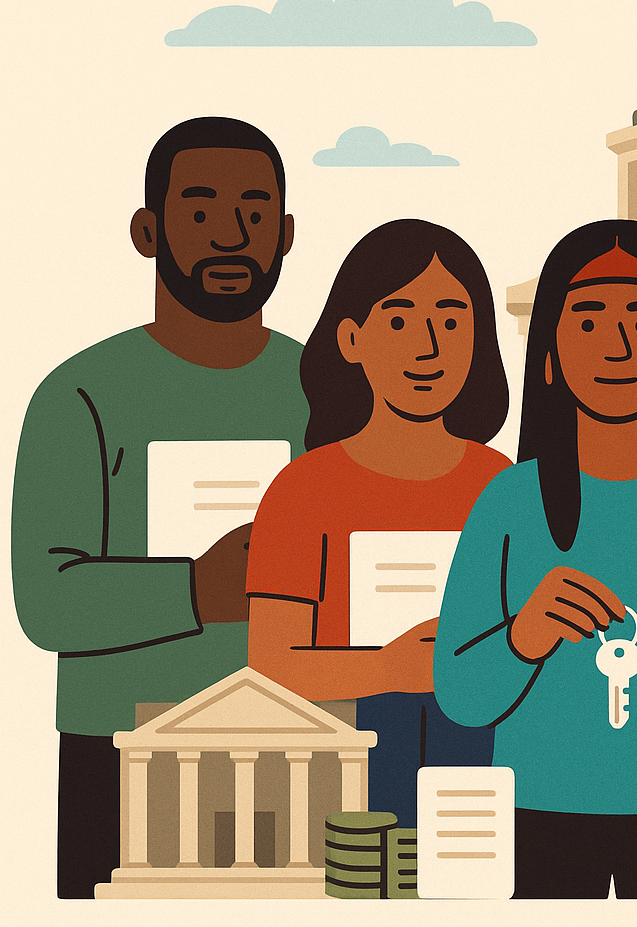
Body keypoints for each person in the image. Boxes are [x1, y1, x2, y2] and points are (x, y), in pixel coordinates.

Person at [10, 117, 308, 898]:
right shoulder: (76, 396)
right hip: (118, 748)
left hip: (300, 745)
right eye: (201, 210)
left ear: (284, 234)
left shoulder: (331, 392)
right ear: (148, 231)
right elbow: (45, 602)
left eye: (254, 212)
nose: (230, 236)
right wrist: (197, 591)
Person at [433, 220, 637, 899]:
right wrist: (523, 638)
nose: (616, 346)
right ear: (550, 354)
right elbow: (458, 696)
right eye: (588, 321)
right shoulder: (509, 501)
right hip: (541, 815)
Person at [245, 219, 510, 825]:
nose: (429, 346)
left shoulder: (502, 484)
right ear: (350, 338)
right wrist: (388, 669)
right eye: (398, 320)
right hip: (342, 766)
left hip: (479, 774)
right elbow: (272, 662)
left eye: (451, 321)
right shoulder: (303, 490)